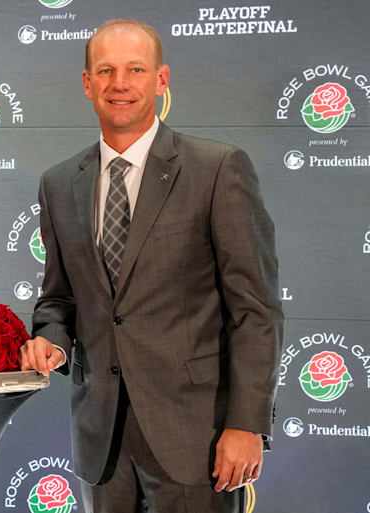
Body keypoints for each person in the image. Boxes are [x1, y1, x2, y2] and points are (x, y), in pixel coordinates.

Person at [19, 19, 283, 513]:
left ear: (161, 79)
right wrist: (51, 341)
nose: (120, 83)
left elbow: (255, 311)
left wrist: (247, 424)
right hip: (101, 441)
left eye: (135, 69)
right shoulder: (58, 183)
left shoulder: (217, 169)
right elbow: (59, 298)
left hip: (198, 438)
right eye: (106, 70)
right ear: (87, 83)